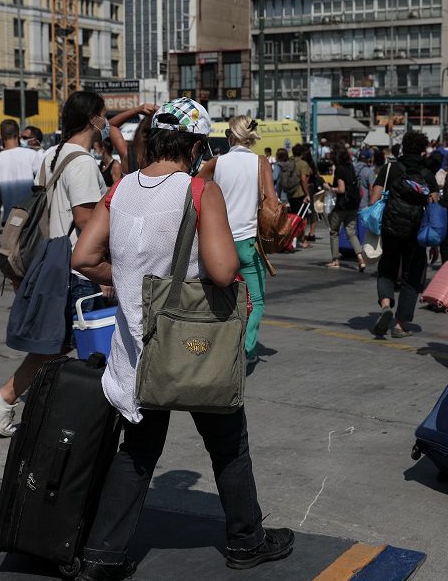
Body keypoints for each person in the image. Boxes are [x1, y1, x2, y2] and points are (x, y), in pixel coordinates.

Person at [70, 98, 294, 578]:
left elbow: (84, 257)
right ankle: (245, 542)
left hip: (137, 347)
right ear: (196, 146)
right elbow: (222, 269)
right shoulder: (198, 190)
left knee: (138, 450)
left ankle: (102, 557)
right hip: (193, 345)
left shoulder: (122, 188)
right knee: (228, 442)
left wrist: (126, 275)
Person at [0, 91, 108, 437]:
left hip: (53, 260)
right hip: (78, 266)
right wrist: (105, 264)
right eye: (104, 115)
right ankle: (74, 419)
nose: (106, 122)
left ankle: (5, 398)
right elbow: (85, 220)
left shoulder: (52, 155)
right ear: (93, 119)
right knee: (91, 346)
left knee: (58, 344)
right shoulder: (81, 163)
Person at [197, 115, 276, 364]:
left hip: (218, 242)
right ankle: (245, 350)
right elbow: (272, 202)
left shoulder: (216, 162)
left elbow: (192, 186)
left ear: (231, 134)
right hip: (248, 242)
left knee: (219, 299)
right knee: (257, 300)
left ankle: (214, 347)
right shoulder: (260, 162)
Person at [369, 131, 439, 338]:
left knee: (386, 269)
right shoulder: (427, 174)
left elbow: (373, 199)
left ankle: (385, 305)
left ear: (403, 147)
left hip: (391, 229)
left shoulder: (390, 168)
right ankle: (400, 325)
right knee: (412, 276)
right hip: (416, 233)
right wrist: (434, 243)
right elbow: (433, 208)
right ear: (422, 150)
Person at [0, 120, 41, 232]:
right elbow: (42, 185)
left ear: (1, 136)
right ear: (18, 134)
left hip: (9, 218)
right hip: (31, 217)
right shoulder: (32, 156)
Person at [324, 148, 367, 271]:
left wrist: (329, 188)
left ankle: (335, 260)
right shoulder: (351, 167)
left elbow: (341, 189)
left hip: (341, 205)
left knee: (334, 232)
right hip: (353, 205)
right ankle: (360, 258)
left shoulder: (339, 169)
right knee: (351, 233)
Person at [285, 144, 312, 245]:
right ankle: (301, 240)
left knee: (293, 217)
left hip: (290, 193)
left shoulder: (289, 162)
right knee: (302, 218)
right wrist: (307, 194)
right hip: (300, 193)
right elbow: (304, 179)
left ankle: (293, 238)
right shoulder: (302, 164)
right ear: (302, 153)